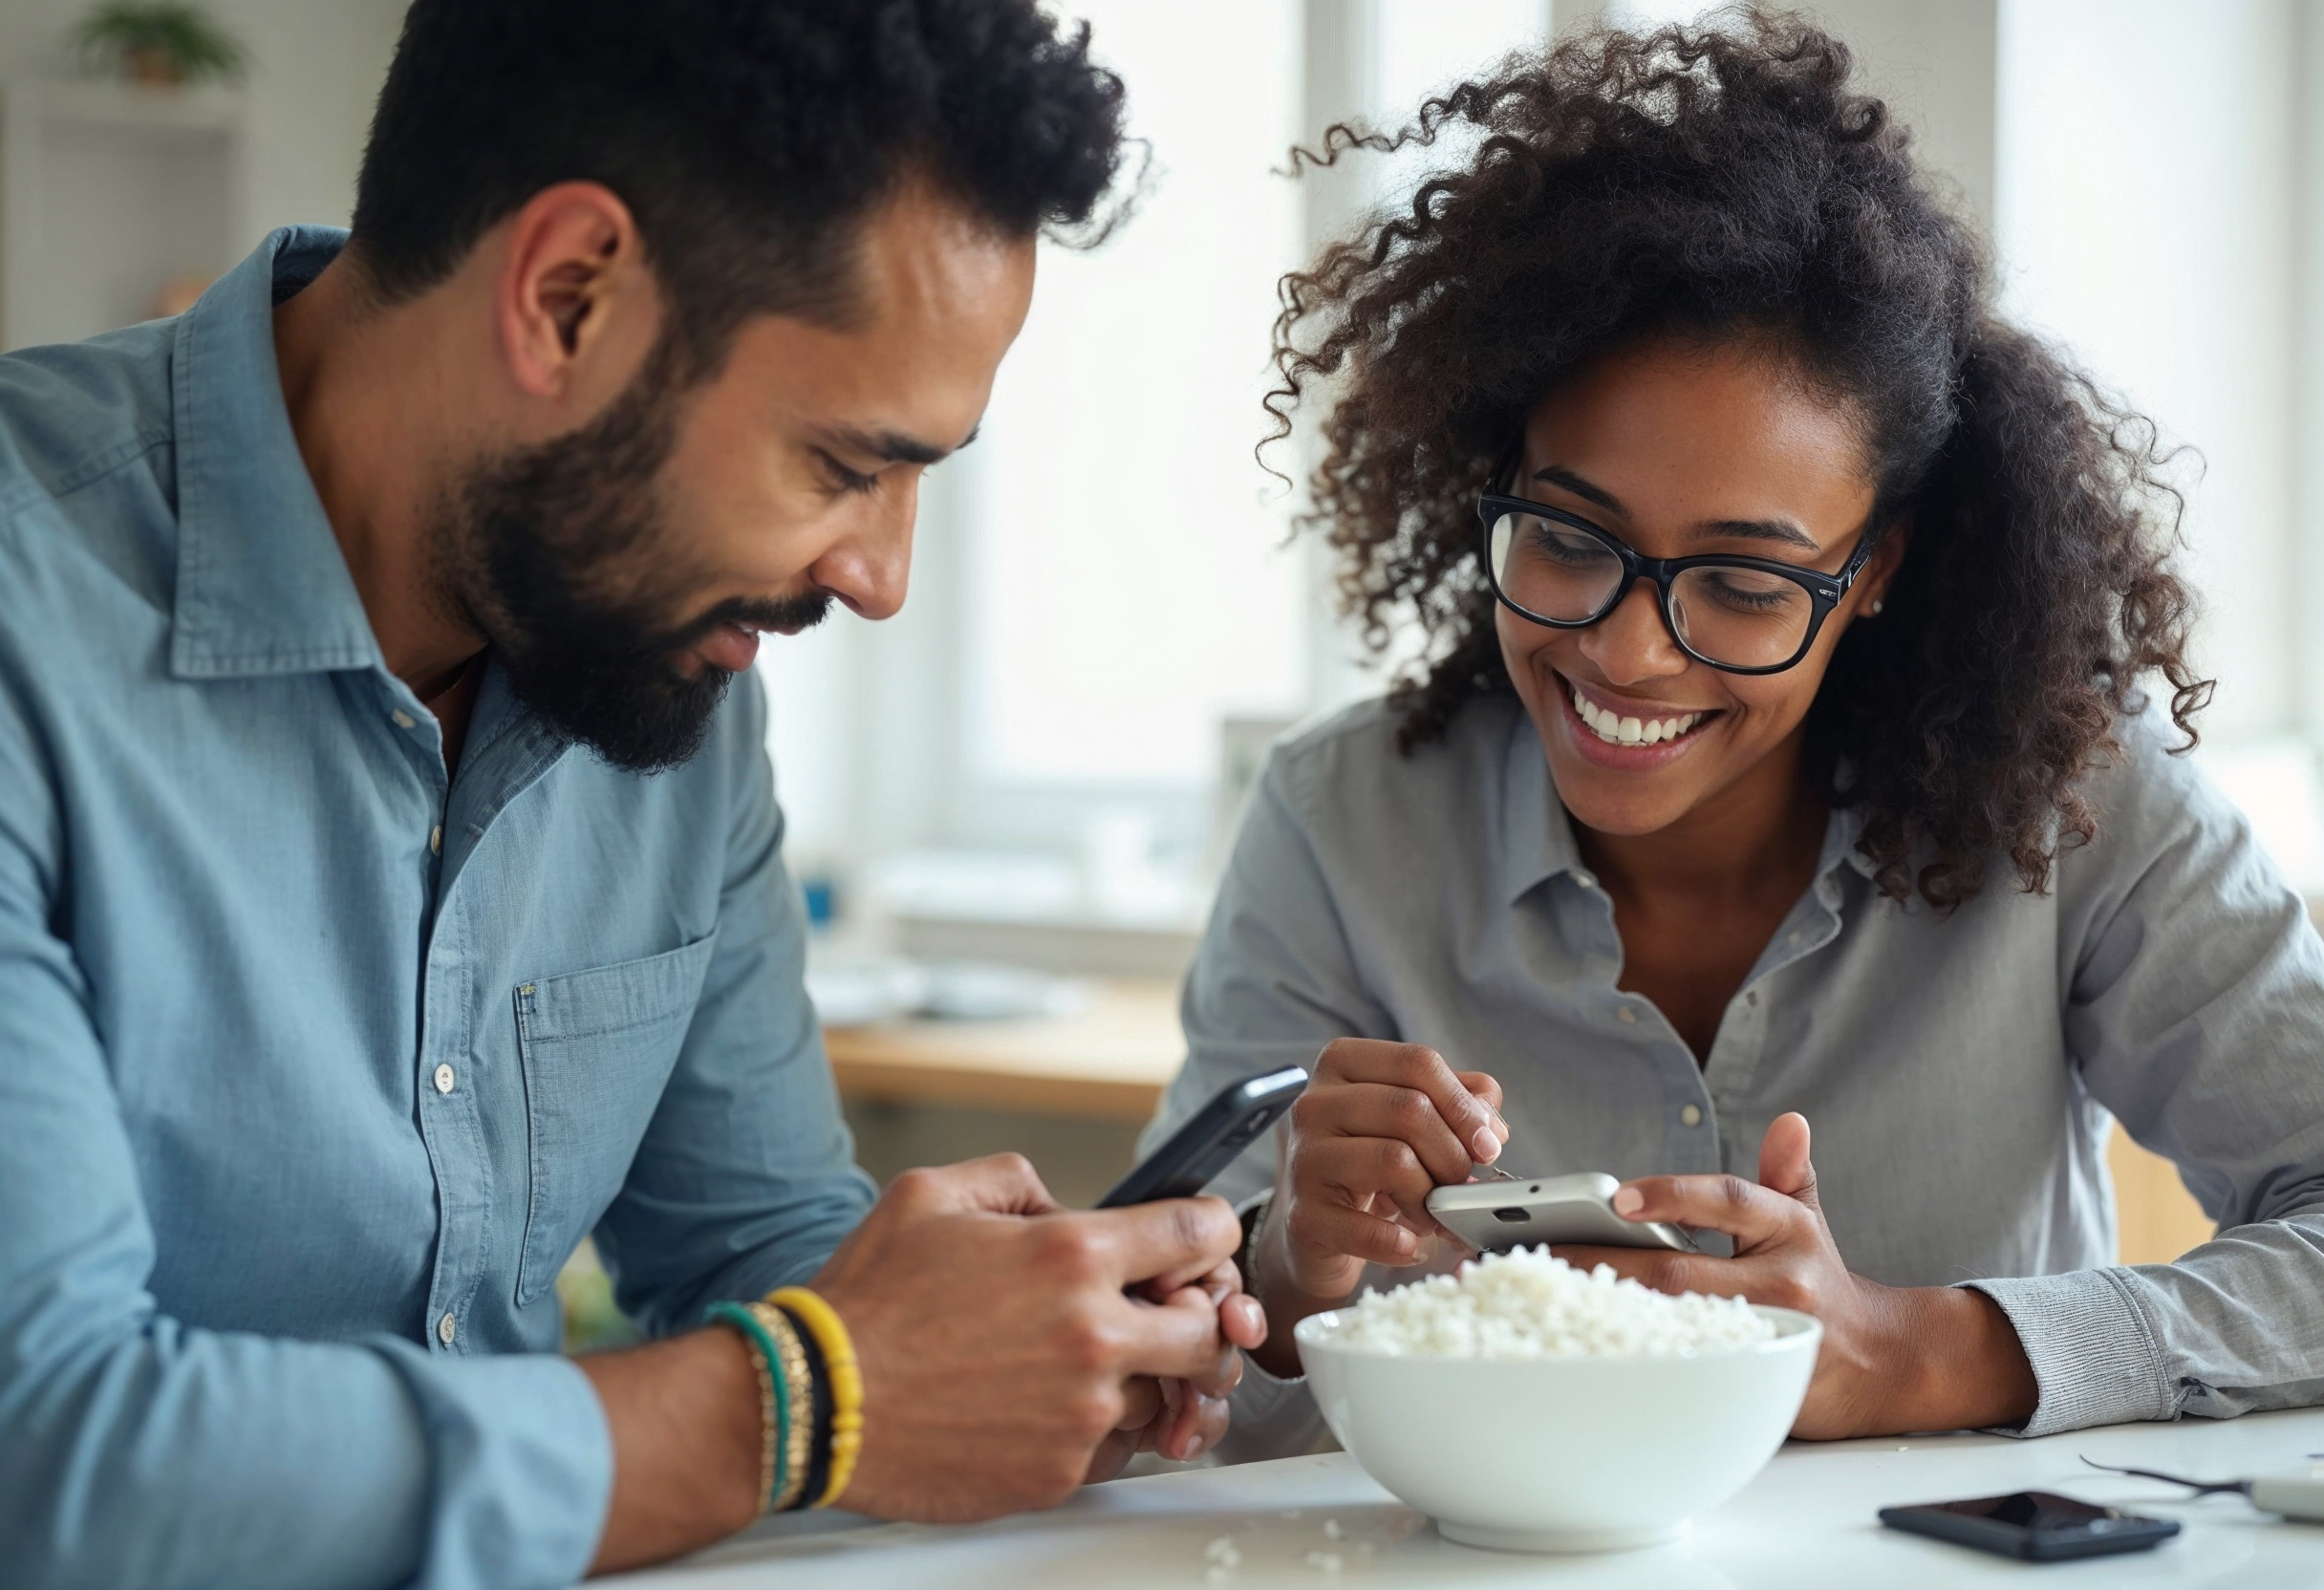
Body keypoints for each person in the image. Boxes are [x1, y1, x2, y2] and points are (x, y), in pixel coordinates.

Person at [0, 4, 1265, 1587]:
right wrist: (810, 1405)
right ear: (566, 296)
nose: (879, 579)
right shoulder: (27, 625)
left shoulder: (658, 659)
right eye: (844, 465)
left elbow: (760, 1264)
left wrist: (1027, 1349)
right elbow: (49, 1458)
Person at [1149, 15, 2324, 1460]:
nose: (1627, 651)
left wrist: (1919, 1352)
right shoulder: (1339, 825)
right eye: (1572, 537)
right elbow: (1165, 1390)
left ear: (1876, 569)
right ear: (1494, 470)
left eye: (1746, 582)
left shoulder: (2081, 799)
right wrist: (1281, 1271)